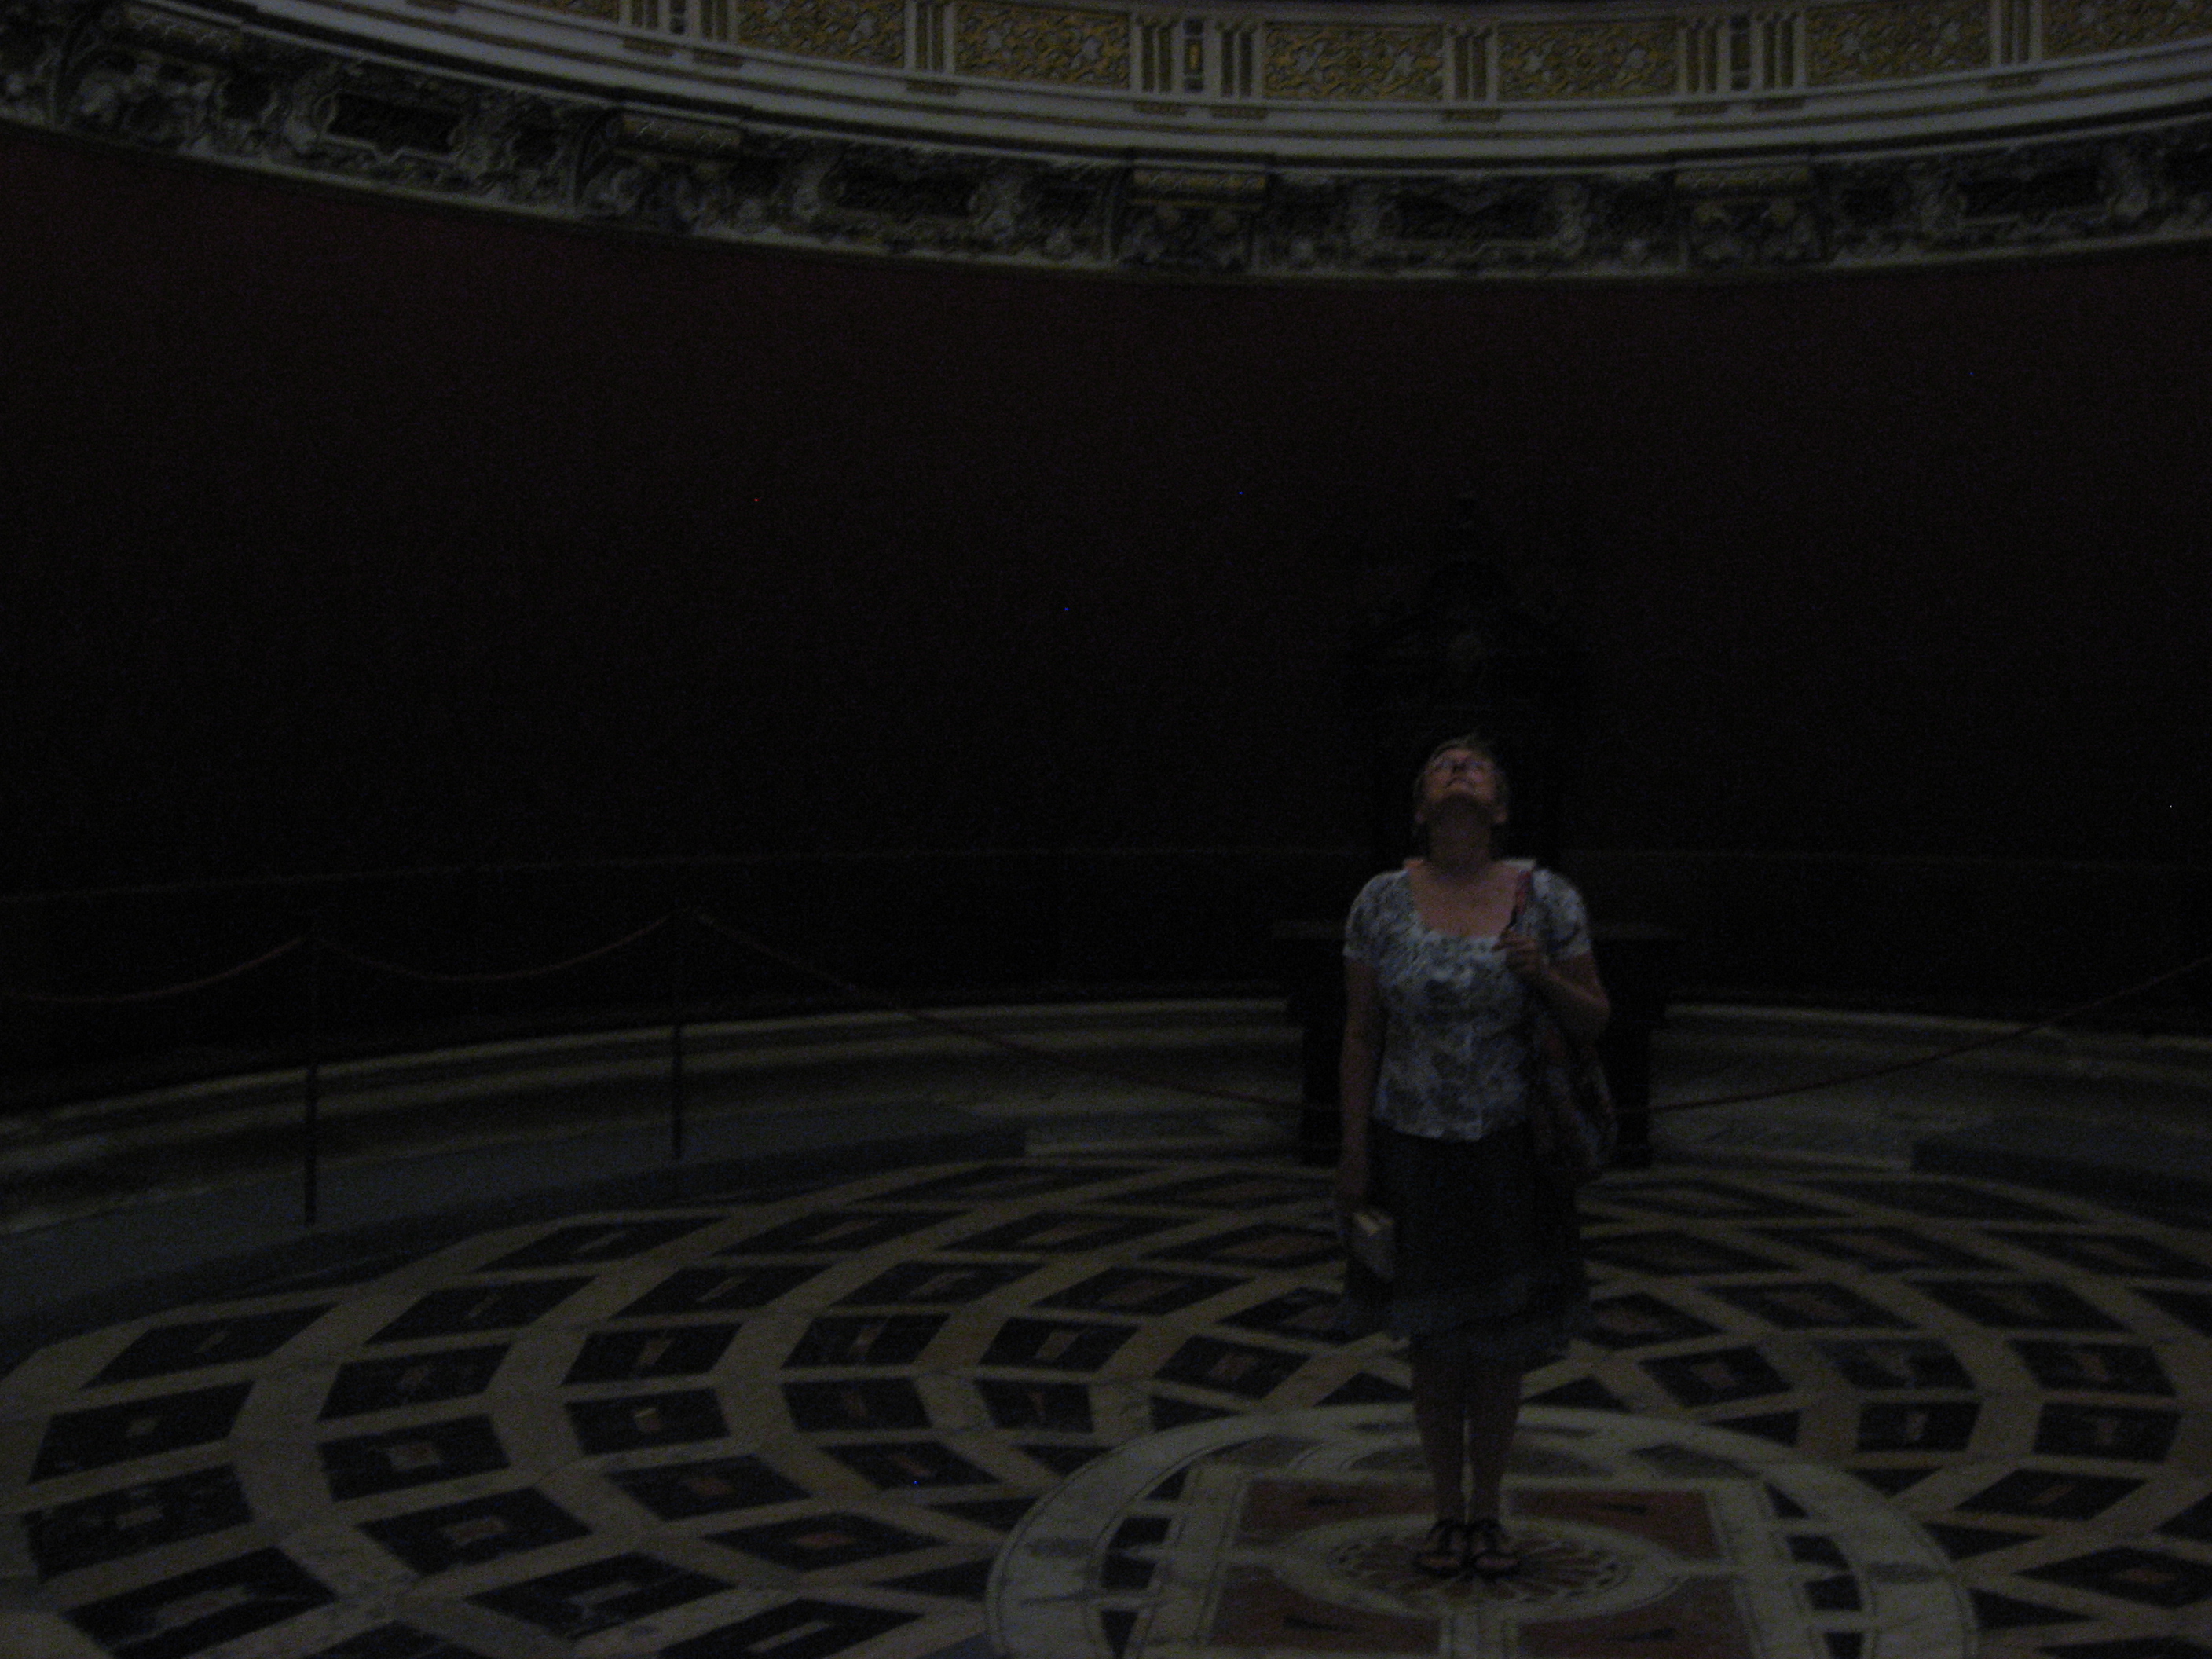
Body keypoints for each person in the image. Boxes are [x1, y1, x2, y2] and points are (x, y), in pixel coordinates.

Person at [1333, 734, 1610, 1580]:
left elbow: (1595, 1018)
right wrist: (1352, 1151)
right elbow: (1361, 1032)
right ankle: (1443, 1511)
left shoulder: (1545, 897)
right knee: (1432, 1341)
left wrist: (1542, 975)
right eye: (1441, 765)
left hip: (1508, 1152)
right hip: (1413, 1147)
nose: (1459, 768)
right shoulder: (1381, 901)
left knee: (1498, 1343)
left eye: (1475, 765)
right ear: (1420, 807)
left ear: (1500, 806)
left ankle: (1487, 1510)